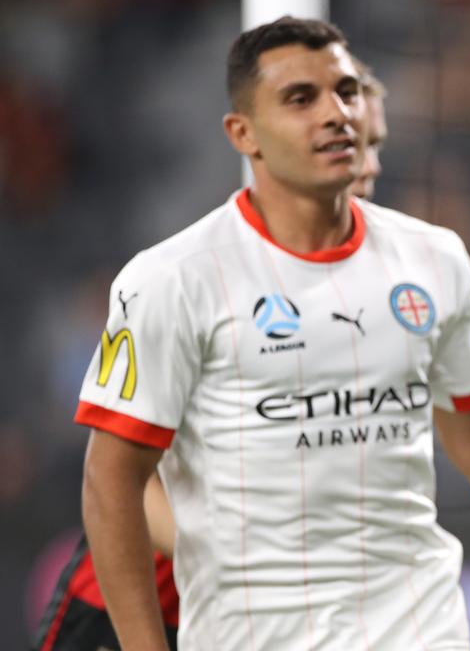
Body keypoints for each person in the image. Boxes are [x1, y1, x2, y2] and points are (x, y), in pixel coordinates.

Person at [75, 16, 470, 650]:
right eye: (301, 98)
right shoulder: (172, 280)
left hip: (418, 626)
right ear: (242, 133)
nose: (336, 113)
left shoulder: (432, 258)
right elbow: (111, 480)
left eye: (347, 92)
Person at [32, 62, 392, 651]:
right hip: (130, 615)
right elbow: (125, 484)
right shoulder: (209, 288)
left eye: (374, 147)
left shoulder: (380, 305)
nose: (368, 165)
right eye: (349, 145)